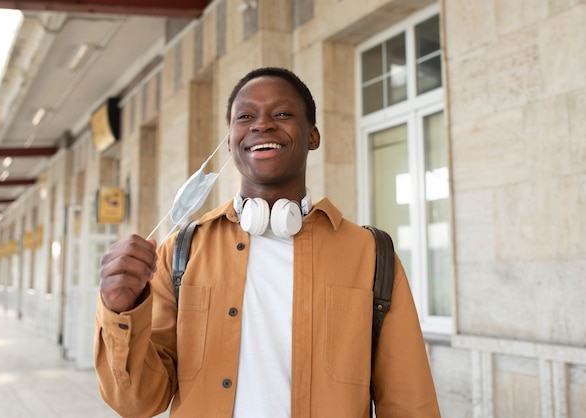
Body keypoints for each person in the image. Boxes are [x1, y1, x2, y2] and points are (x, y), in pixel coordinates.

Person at [95, 67, 441, 417]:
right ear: (230, 141)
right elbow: (139, 402)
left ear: (312, 136)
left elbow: (410, 404)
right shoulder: (180, 253)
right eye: (245, 116)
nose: (261, 125)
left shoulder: (371, 255)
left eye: (282, 114)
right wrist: (121, 311)